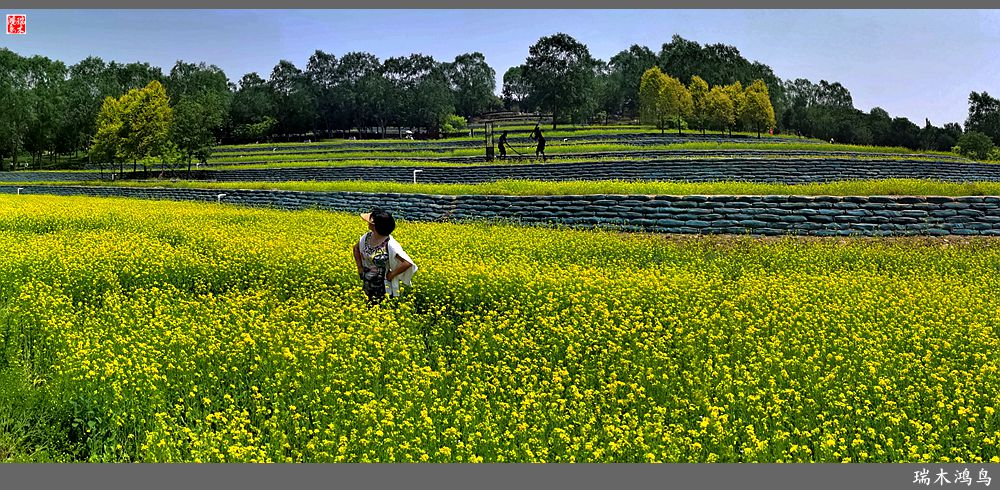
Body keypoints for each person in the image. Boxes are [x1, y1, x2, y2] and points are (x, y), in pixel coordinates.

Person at [352, 208, 417, 305]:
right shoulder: (367, 237)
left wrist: (391, 275)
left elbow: (407, 263)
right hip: (367, 282)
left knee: (381, 307)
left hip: (383, 286)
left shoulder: (390, 244)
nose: (367, 223)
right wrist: (360, 268)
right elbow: (356, 248)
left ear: (375, 226)